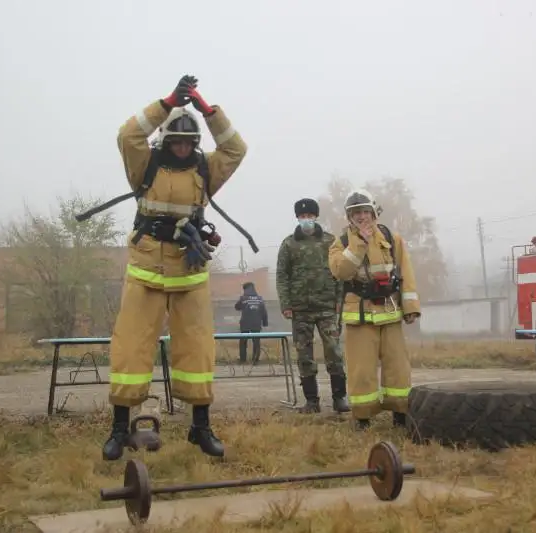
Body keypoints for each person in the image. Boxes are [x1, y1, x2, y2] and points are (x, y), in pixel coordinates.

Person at [102, 75, 247, 460]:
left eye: (189, 142)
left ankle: (200, 427)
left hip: (190, 270)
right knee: (130, 350)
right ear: (165, 141)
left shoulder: (206, 168)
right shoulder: (144, 165)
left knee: (197, 351)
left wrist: (209, 112)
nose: (182, 147)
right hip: (145, 269)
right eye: (176, 141)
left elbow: (235, 149)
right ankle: (119, 429)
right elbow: (128, 135)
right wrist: (166, 103)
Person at [327, 190, 421, 430]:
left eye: (365, 211)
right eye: (355, 213)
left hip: (389, 312)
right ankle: (363, 417)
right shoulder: (341, 243)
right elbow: (341, 271)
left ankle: (400, 413)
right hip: (359, 316)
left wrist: (410, 307)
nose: (361, 217)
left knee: (398, 367)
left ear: (373, 212)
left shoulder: (391, 238)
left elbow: (405, 272)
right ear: (349, 217)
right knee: (361, 370)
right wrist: (359, 243)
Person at [276, 198, 350, 414]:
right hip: (300, 310)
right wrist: (286, 304)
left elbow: (340, 273)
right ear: (297, 218)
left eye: (309, 216)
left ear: (316, 217)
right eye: (302, 216)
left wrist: (339, 302)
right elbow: (282, 276)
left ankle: (339, 398)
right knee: (304, 355)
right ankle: (311, 401)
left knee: (334, 352)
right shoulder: (289, 244)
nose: (306, 219)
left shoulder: (330, 241)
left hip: (327, 308)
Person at [234, 281, 268, 363]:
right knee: (256, 341)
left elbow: (237, 307)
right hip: (256, 323)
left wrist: (243, 305)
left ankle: (242, 360)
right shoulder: (260, 299)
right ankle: (255, 360)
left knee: (243, 341)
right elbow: (264, 311)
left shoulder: (243, 298)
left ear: (245, 289)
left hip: (245, 323)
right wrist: (265, 323)